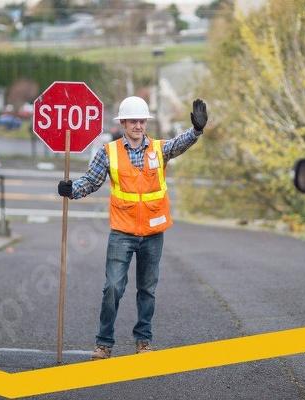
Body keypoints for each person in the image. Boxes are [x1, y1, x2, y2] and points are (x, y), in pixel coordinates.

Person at [58, 96, 208, 360]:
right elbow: (92, 181)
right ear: (123, 123)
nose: (138, 125)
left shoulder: (160, 149)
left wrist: (196, 130)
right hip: (122, 233)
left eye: (142, 120)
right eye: (133, 121)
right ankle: (104, 344)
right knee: (113, 287)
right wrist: (72, 190)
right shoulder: (109, 152)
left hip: (152, 233)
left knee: (147, 290)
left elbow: (179, 144)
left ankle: (144, 341)